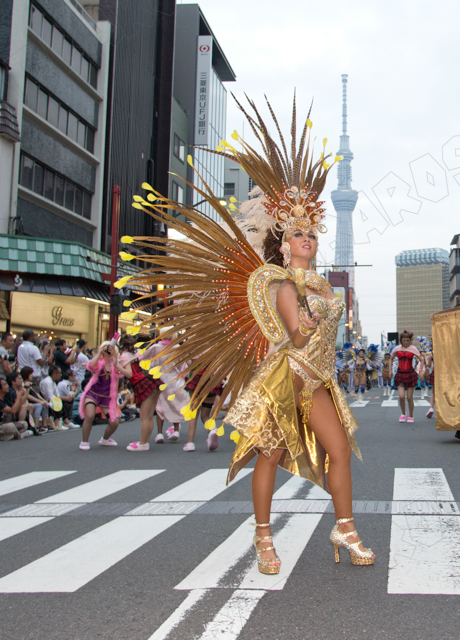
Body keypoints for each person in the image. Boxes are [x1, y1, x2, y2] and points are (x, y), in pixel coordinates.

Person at [124, 99, 373, 573]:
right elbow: (297, 337)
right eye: (299, 234)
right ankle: (263, 537)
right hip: (286, 378)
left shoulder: (319, 284)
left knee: (338, 450)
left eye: (312, 235)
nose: (308, 240)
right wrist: (309, 324)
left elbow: (319, 338)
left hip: (317, 380)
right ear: (283, 243)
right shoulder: (280, 285)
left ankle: (346, 527)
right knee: (269, 457)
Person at [78, 341, 127, 450]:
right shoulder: (99, 362)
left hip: (107, 398)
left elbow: (121, 373)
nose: (107, 350)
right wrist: (99, 352)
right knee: (90, 415)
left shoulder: (116, 363)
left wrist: (115, 360)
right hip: (93, 394)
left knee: (114, 423)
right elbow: (90, 366)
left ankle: (105, 439)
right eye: (106, 348)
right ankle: (84, 441)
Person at [118, 335, 162, 451]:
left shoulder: (123, 356)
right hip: (150, 381)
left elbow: (129, 374)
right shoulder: (135, 352)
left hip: (141, 384)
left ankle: (143, 444)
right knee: (149, 416)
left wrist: (117, 365)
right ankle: (144, 442)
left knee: (144, 417)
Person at [392, 331, 423, 422]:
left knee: (409, 397)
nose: (406, 342)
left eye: (407, 340)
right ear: (401, 340)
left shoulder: (413, 348)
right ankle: (403, 413)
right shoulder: (397, 348)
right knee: (401, 396)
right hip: (400, 374)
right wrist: (390, 370)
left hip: (410, 374)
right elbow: (391, 359)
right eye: (404, 340)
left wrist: (420, 371)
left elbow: (421, 359)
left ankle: (411, 415)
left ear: (410, 340)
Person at [39, 366, 68, 431]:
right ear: (54, 374)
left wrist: (65, 398)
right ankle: (57, 424)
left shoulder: (53, 382)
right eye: (59, 373)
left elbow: (57, 394)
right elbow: (50, 396)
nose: (61, 375)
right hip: (46, 400)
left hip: (50, 399)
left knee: (62, 401)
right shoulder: (47, 382)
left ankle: (65, 421)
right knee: (56, 402)